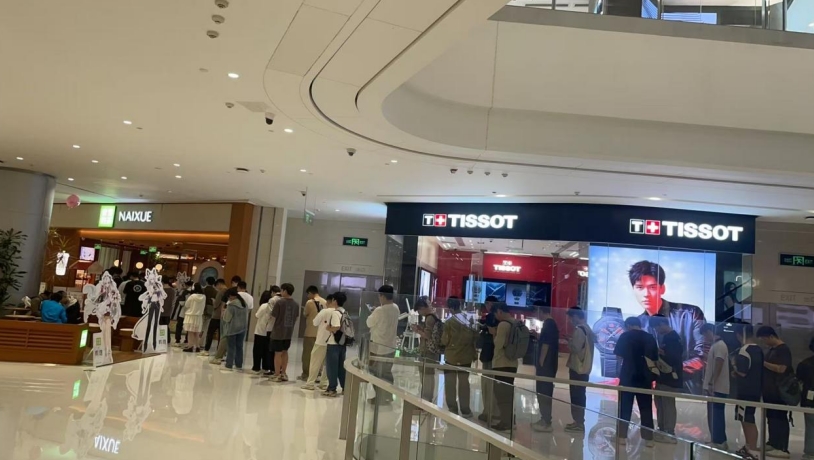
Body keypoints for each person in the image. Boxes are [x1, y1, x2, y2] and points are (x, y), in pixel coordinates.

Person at [629, 261, 706, 394]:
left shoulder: (690, 313)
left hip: (687, 387)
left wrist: (669, 371)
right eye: (640, 287)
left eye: (652, 287)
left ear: (662, 289)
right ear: (634, 290)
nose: (646, 293)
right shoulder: (639, 323)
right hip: (651, 385)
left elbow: (703, 354)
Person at [615, 316, 658, 447]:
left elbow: (618, 356)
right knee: (645, 408)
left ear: (628, 325)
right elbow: (654, 358)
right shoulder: (649, 337)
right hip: (644, 377)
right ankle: (648, 439)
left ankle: (622, 437)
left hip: (628, 376)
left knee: (624, 407)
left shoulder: (625, 336)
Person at [757, 326, 793, 458]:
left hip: (779, 391)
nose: (764, 342)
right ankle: (773, 441)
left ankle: (782, 446)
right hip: (769, 391)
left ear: (771, 336)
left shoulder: (783, 350)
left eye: (764, 339)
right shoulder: (771, 350)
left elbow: (781, 369)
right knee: (771, 417)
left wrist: (764, 363)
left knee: (780, 418)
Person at [441, 297, 477, 418]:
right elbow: (475, 337)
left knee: (450, 383)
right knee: (464, 383)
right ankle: (466, 410)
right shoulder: (469, 319)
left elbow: (445, 340)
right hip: (466, 356)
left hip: (451, 356)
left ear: (451, 308)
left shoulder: (449, 322)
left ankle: (453, 408)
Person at [651, 314, 683, 443]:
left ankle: (669, 432)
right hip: (662, 377)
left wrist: (661, 353)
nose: (657, 331)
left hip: (669, 378)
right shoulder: (667, 338)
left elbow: (674, 358)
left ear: (661, 324)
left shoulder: (673, 338)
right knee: (660, 403)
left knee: (668, 404)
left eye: (656, 328)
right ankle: (662, 429)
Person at [734, 324, 763, 460]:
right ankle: (749, 447)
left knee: (746, 420)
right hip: (755, 390)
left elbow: (743, 372)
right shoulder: (758, 350)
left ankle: (751, 449)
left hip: (745, 391)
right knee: (749, 417)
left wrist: (734, 366)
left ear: (740, 335)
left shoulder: (744, 350)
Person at [367, 285, 400, 404]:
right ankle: (388, 395)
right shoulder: (395, 307)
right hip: (390, 346)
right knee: (387, 372)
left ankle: (380, 397)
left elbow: (369, 323)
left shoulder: (379, 310)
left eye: (379, 296)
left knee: (375, 372)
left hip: (378, 346)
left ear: (382, 296)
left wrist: (373, 312)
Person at [490, 303, 519, 432]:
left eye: (495, 314)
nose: (496, 317)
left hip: (501, 363)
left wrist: (494, 334)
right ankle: (510, 420)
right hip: (513, 363)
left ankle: (506, 423)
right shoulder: (516, 323)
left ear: (499, 311)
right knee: (508, 393)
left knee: (501, 394)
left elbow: (498, 344)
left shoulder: (503, 325)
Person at [565, 307, 594, 433]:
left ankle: (578, 422)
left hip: (577, 369)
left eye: (571, 317)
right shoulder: (588, 329)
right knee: (581, 395)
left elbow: (575, 349)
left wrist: (569, 342)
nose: (570, 320)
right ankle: (579, 421)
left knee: (576, 395)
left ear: (576, 316)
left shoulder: (579, 330)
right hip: (585, 368)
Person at [701, 323, 730, 449]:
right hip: (715, 387)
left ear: (709, 331)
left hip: (718, 388)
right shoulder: (716, 345)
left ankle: (720, 441)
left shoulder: (720, 345)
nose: (704, 338)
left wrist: (712, 382)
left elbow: (719, 363)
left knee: (717, 414)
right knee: (713, 414)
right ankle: (716, 439)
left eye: (704, 335)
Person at [532, 303, 559, 433]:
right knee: (543, 391)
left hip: (546, 366)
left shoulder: (549, 324)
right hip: (548, 365)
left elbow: (546, 345)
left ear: (541, 311)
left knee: (543, 391)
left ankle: (546, 421)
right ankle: (544, 418)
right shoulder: (550, 324)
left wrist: (541, 362)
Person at [412, 298, 444, 404]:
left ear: (422, 308)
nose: (419, 313)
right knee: (429, 375)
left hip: (427, 351)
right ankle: (428, 398)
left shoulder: (429, 318)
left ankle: (426, 399)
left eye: (419, 310)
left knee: (426, 376)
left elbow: (427, 335)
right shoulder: (434, 316)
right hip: (432, 351)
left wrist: (417, 330)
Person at [302, 293, 335, 390]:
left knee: (315, 362)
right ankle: (324, 383)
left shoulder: (324, 311)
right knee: (327, 364)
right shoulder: (338, 312)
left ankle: (310, 383)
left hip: (321, 341)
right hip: (332, 342)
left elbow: (315, 322)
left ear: (329, 301)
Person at [269, 283, 299, 382]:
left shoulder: (279, 302)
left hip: (278, 332)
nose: (281, 292)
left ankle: (277, 374)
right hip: (288, 333)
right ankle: (284, 373)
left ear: (285, 291)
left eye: (281, 290)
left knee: (277, 353)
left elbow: (273, 317)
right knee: (285, 352)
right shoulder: (296, 304)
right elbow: (296, 318)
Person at [478, 296, 500, 422]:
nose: (486, 306)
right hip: (491, 355)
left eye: (487, 303)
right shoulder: (496, 317)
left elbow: (492, 334)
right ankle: (491, 411)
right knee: (490, 384)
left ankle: (489, 411)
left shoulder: (492, 317)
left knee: (488, 385)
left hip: (490, 354)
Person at [323, 292, 350, 397]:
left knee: (331, 367)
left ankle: (332, 388)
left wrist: (328, 328)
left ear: (335, 300)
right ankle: (345, 388)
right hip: (342, 343)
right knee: (341, 367)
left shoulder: (335, 313)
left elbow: (336, 327)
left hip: (333, 343)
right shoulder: (345, 312)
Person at [300, 285, 326, 382]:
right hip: (321, 333)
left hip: (310, 332)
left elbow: (305, 314)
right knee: (319, 356)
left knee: (307, 355)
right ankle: (318, 374)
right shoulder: (325, 302)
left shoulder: (309, 302)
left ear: (311, 293)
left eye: (308, 294)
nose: (308, 296)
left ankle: (306, 374)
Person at [222, 288, 248, 371]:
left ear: (231, 296)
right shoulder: (244, 304)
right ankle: (239, 365)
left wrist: (224, 313)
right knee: (239, 347)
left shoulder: (231, 306)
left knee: (231, 347)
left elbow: (227, 318)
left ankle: (229, 365)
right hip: (242, 328)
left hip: (232, 329)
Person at [797, 336, 814, 460]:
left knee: (810, 426)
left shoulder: (804, 364)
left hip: (808, 400)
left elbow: (799, 380)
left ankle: (810, 452)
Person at [251, 293, 274, 375]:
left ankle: (256, 367)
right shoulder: (273, 306)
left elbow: (257, 315)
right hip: (269, 331)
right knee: (266, 350)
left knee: (257, 350)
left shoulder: (264, 306)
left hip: (260, 331)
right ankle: (265, 367)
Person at [204, 279, 227, 355]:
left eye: (216, 286)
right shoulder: (228, 291)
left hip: (216, 315)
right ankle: (219, 351)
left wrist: (213, 301)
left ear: (219, 284)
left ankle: (206, 349)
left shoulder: (220, 292)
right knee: (221, 335)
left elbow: (216, 304)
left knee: (210, 333)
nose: (216, 288)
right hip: (223, 316)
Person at [182, 283, 206, 353]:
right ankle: (197, 346)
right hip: (199, 316)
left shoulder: (192, 296)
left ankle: (190, 346)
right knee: (197, 332)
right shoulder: (204, 296)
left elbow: (186, 305)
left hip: (191, 315)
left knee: (190, 332)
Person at [173, 281, 193, 346]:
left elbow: (182, 302)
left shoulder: (185, 292)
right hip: (191, 313)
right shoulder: (195, 292)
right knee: (189, 328)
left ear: (186, 285)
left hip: (183, 312)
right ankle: (187, 340)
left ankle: (177, 340)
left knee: (179, 326)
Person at [202, 277, 218, 344]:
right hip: (211, 310)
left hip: (202, 309)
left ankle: (198, 342)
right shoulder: (215, 291)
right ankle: (203, 343)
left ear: (206, 282)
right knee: (206, 327)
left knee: (200, 326)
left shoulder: (203, 290)